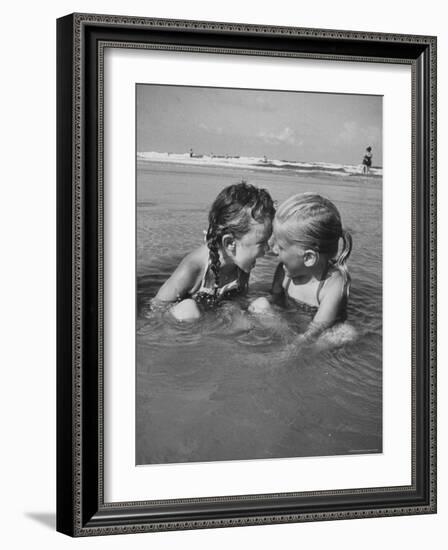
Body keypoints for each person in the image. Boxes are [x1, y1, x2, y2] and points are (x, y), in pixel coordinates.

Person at [151, 182, 275, 321]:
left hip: (210, 314)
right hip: (184, 319)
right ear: (230, 243)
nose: (268, 249)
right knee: (188, 309)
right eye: (262, 243)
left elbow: (238, 298)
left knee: (261, 305)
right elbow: (156, 307)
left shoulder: (240, 263)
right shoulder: (193, 267)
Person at [249, 193, 352, 345]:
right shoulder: (284, 270)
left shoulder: (333, 284)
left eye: (281, 247)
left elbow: (318, 328)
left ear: (309, 258)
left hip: (313, 334)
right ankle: (290, 344)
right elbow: (276, 299)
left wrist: (297, 345)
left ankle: (300, 352)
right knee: (260, 304)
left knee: (346, 333)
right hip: (288, 326)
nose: (274, 250)